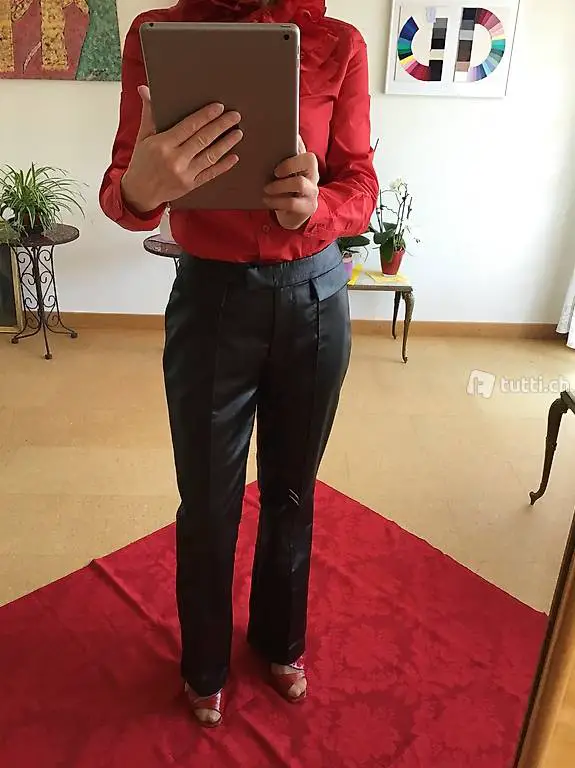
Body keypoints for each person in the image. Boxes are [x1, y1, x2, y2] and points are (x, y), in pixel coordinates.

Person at [100, 0, 378, 728]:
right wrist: (143, 188)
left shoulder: (337, 43)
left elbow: (361, 184)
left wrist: (316, 208)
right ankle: (204, 663)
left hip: (314, 296)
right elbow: (122, 187)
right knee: (207, 499)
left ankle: (280, 642)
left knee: (291, 490)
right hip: (210, 299)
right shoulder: (158, 35)